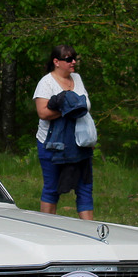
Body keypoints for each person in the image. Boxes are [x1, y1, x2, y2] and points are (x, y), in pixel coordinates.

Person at [32, 44, 94, 220]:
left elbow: (85, 109)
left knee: (84, 187)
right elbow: (42, 112)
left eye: (74, 58)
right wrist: (69, 110)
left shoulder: (77, 79)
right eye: (68, 59)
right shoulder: (46, 83)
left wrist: (89, 140)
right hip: (52, 145)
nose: (73, 62)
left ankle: (89, 232)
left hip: (79, 144)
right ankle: (48, 229)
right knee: (52, 188)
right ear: (56, 62)